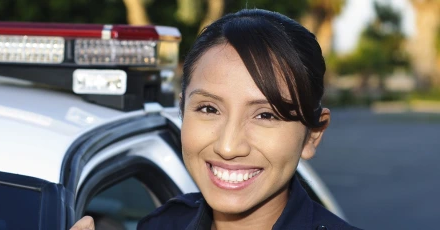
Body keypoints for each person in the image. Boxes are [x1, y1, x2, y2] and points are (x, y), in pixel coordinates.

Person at [71, 8, 360, 230]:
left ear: (312, 135)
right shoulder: (161, 225)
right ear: (183, 112)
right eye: (209, 109)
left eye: (266, 114)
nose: (229, 146)